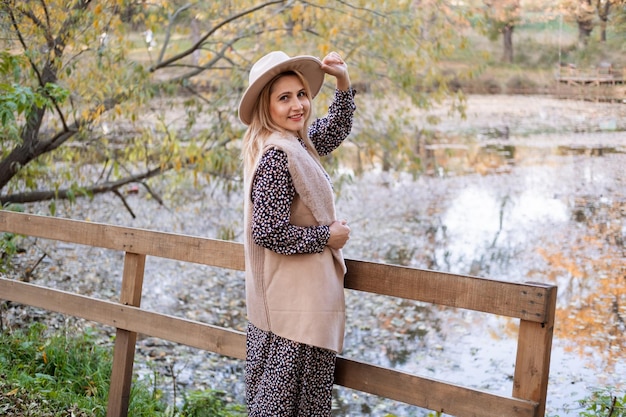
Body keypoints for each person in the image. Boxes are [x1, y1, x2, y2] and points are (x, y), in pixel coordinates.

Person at [239, 50, 356, 416]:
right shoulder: (277, 154)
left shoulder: (296, 143)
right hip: (295, 316)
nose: (297, 105)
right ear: (266, 107)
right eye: (284, 98)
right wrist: (326, 237)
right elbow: (269, 232)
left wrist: (343, 82)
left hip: (297, 309)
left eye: (301, 95)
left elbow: (334, 129)